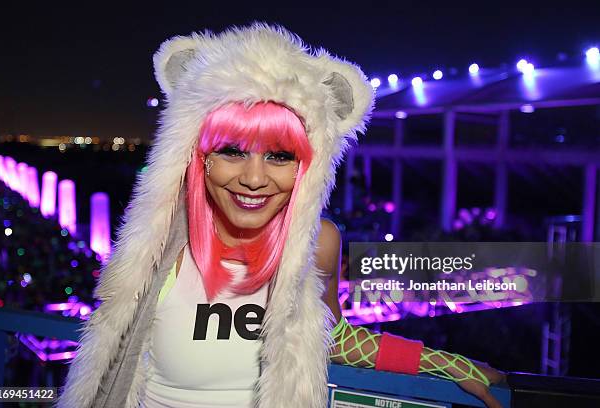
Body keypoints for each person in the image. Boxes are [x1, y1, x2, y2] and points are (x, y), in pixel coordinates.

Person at [56, 24, 504, 408]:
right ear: (200, 159)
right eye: (231, 151)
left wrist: (445, 365)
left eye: (279, 156)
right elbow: (112, 355)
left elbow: (331, 338)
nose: (254, 178)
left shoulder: (316, 244)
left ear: (305, 168)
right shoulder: (162, 240)